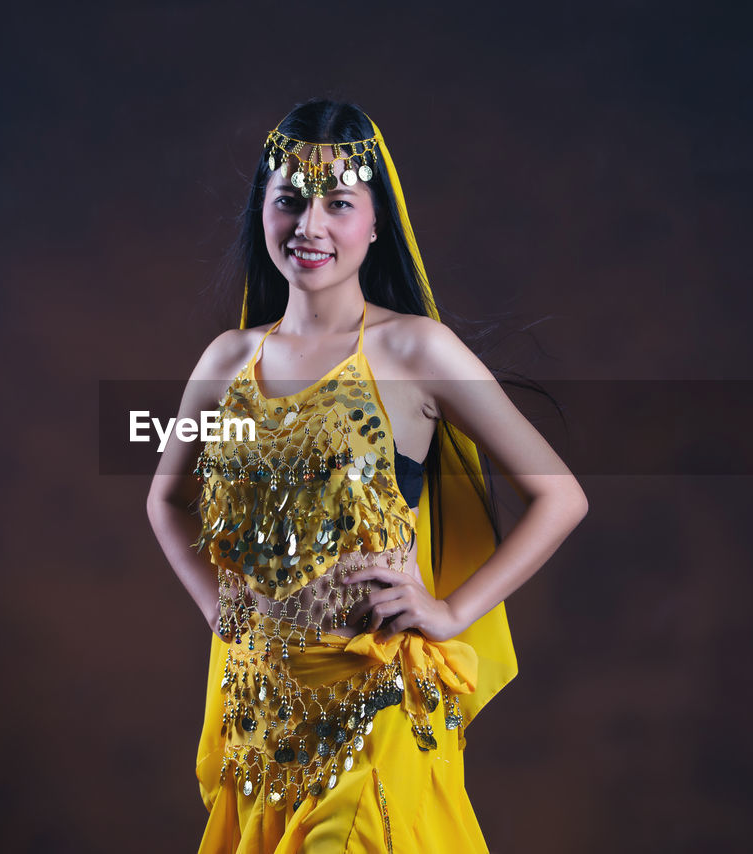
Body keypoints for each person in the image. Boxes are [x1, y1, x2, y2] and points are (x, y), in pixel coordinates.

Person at [146, 99, 588, 853]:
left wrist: (449, 612)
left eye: (338, 205)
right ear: (263, 213)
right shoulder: (228, 363)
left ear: (377, 223)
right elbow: (167, 499)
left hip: (373, 705)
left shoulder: (417, 352)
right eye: (288, 202)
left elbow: (560, 495)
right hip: (259, 721)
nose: (309, 227)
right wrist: (224, 613)